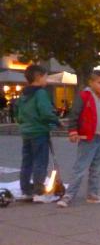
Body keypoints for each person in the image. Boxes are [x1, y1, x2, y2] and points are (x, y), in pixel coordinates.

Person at [57, 70, 100, 207]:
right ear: (91, 83)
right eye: (99, 82)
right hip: (88, 138)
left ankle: (92, 194)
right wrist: (73, 131)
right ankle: (69, 196)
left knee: (97, 169)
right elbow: (74, 115)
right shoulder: (84, 96)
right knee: (80, 168)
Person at [15, 64, 61, 202]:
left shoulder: (23, 94)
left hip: (26, 131)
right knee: (40, 161)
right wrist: (57, 121)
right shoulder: (40, 93)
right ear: (38, 77)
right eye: (46, 76)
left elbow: (18, 114)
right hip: (39, 131)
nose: (47, 79)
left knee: (27, 161)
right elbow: (46, 112)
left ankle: (25, 188)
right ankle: (38, 190)